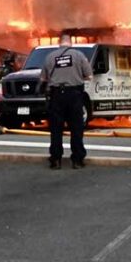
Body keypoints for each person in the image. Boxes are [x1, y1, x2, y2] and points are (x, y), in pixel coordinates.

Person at [39, 39, 93, 169]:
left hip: (56, 95)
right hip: (74, 94)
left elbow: (42, 78)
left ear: (59, 43)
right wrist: (76, 77)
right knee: (76, 128)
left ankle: (56, 160)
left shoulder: (50, 57)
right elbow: (89, 76)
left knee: (56, 129)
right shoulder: (79, 55)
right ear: (70, 43)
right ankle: (77, 160)